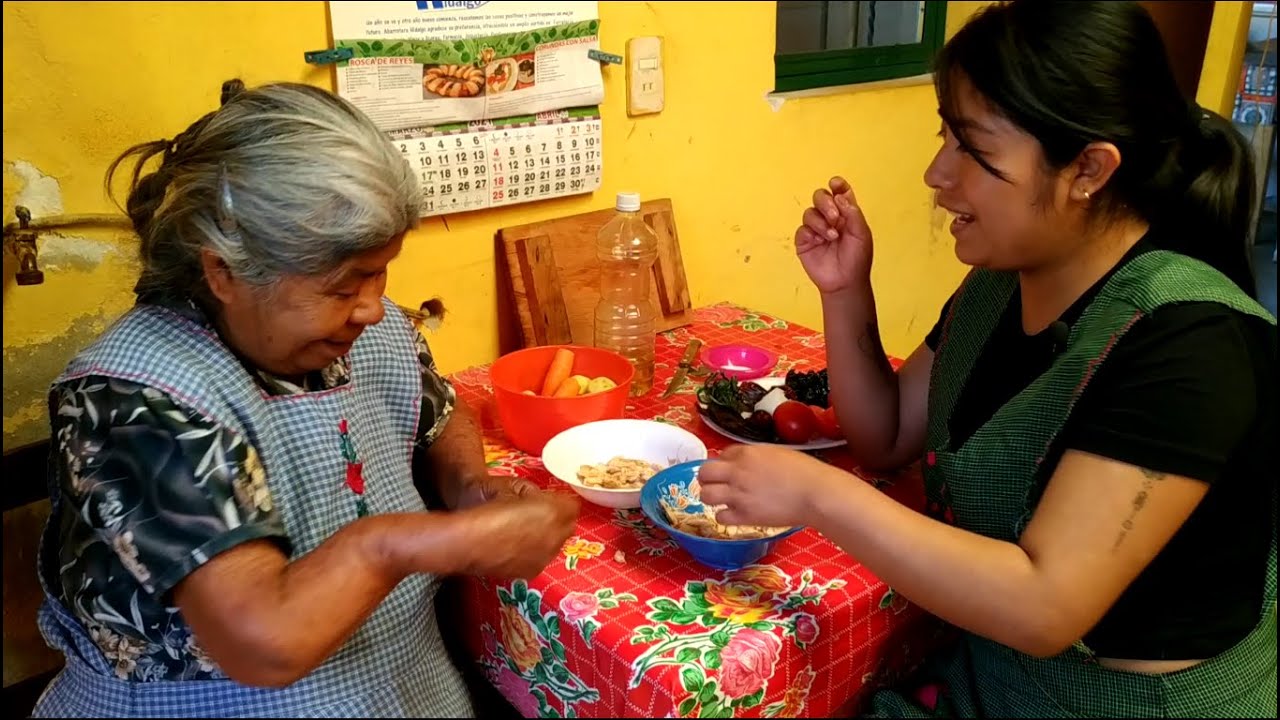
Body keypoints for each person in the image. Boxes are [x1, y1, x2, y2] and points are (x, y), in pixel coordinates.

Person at [699, 2, 1277, 717]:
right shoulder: (1002, 283)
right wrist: (846, 290)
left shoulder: (1193, 346)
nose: (936, 175)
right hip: (990, 676)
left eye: (973, 149)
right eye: (944, 136)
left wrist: (819, 495)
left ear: (1089, 169)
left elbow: (1043, 606)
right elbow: (885, 435)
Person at [32, 79, 580, 718]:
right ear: (224, 273)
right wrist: (401, 542)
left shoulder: (366, 332)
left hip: (400, 683)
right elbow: (263, 643)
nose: (372, 308)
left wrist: (468, 488)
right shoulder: (132, 398)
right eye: (344, 285)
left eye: (380, 271)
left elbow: (439, 410)